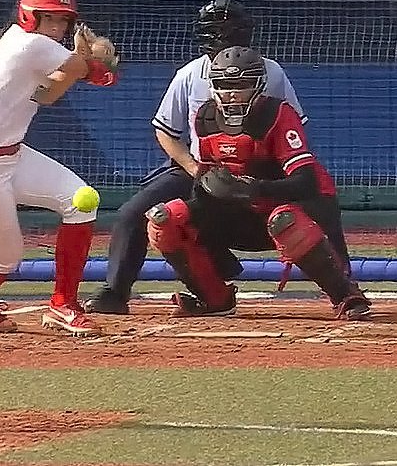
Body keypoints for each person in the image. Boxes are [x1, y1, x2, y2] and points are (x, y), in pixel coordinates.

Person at [85, 0, 307, 314]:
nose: (226, 38)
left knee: (310, 207)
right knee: (134, 215)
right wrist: (194, 168)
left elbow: (292, 126)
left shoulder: (271, 73)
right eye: (219, 31)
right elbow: (165, 129)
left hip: (255, 171)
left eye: (232, 30)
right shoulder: (190, 74)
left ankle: (342, 288)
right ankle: (115, 293)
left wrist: (268, 176)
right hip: (199, 168)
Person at [145, 45, 370, 320]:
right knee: (165, 219)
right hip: (241, 214)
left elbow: (307, 182)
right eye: (225, 85)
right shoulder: (204, 119)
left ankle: (344, 294)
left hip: (296, 209)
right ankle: (214, 297)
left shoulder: (278, 115)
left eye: (241, 85)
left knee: (284, 221)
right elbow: (204, 184)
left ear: (259, 85)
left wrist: (254, 189)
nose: (232, 93)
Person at [0, 0, 118, 337]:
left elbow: (49, 94)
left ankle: (62, 304)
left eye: (61, 22)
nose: (55, 29)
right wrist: (95, 58)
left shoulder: (34, 47)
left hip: (13, 156)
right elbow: (101, 77)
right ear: (29, 17)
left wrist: (82, 61)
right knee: (7, 257)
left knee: (80, 200)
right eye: (49, 20)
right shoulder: (28, 45)